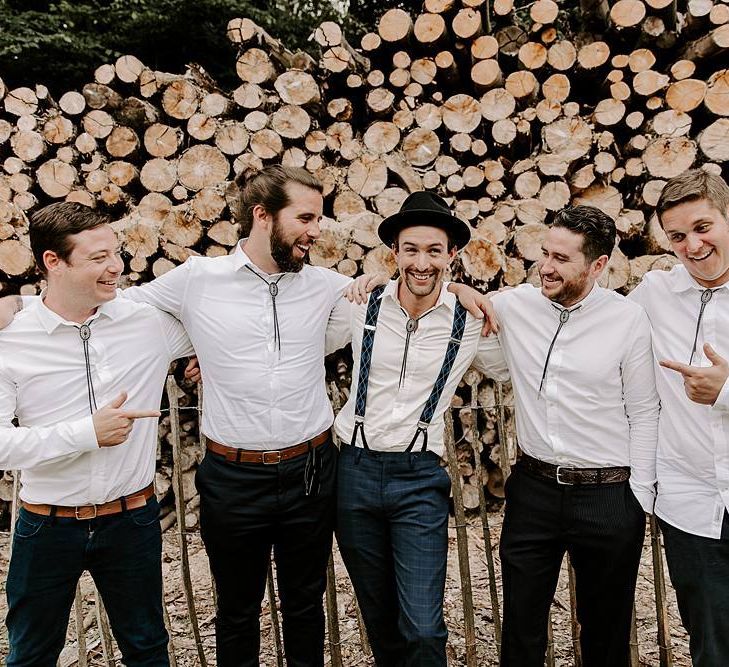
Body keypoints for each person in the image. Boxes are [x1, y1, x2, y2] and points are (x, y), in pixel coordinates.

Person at [0, 202, 193, 666]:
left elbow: (228, 323)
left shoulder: (147, 323)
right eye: (98, 258)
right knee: (31, 654)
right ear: (53, 262)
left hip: (132, 519)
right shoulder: (11, 337)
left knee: (148, 649)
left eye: (116, 253)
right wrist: (85, 433)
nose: (116, 268)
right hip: (47, 525)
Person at [328, 192, 509, 666]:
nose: (422, 262)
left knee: (424, 628)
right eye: (411, 249)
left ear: (452, 256)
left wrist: (465, 293)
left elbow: (520, 365)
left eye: (434, 250)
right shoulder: (359, 302)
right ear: (395, 253)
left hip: (418, 478)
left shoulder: (470, 321)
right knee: (381, 621)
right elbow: (289, 332)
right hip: (355, 470)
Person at [489, 205, 659, 667]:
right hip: (534, 490)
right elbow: (458, 306)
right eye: (545, 253)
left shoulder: (627, 320)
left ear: (598, 265)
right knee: (521, 629)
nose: (546, 267)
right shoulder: (514, 305)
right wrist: (463, 289)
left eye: (562, 259)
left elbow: (644, 410)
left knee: (605, 633)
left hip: (608, 495)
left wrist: (637, 496)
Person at [628, 168, 729, 667]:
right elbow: (591, 320)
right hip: (691, 502)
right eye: (678, 236)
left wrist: (727, 390)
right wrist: (475, 298)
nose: (692, 246)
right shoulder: (654, 294)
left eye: (703, 227)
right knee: (711, 642)